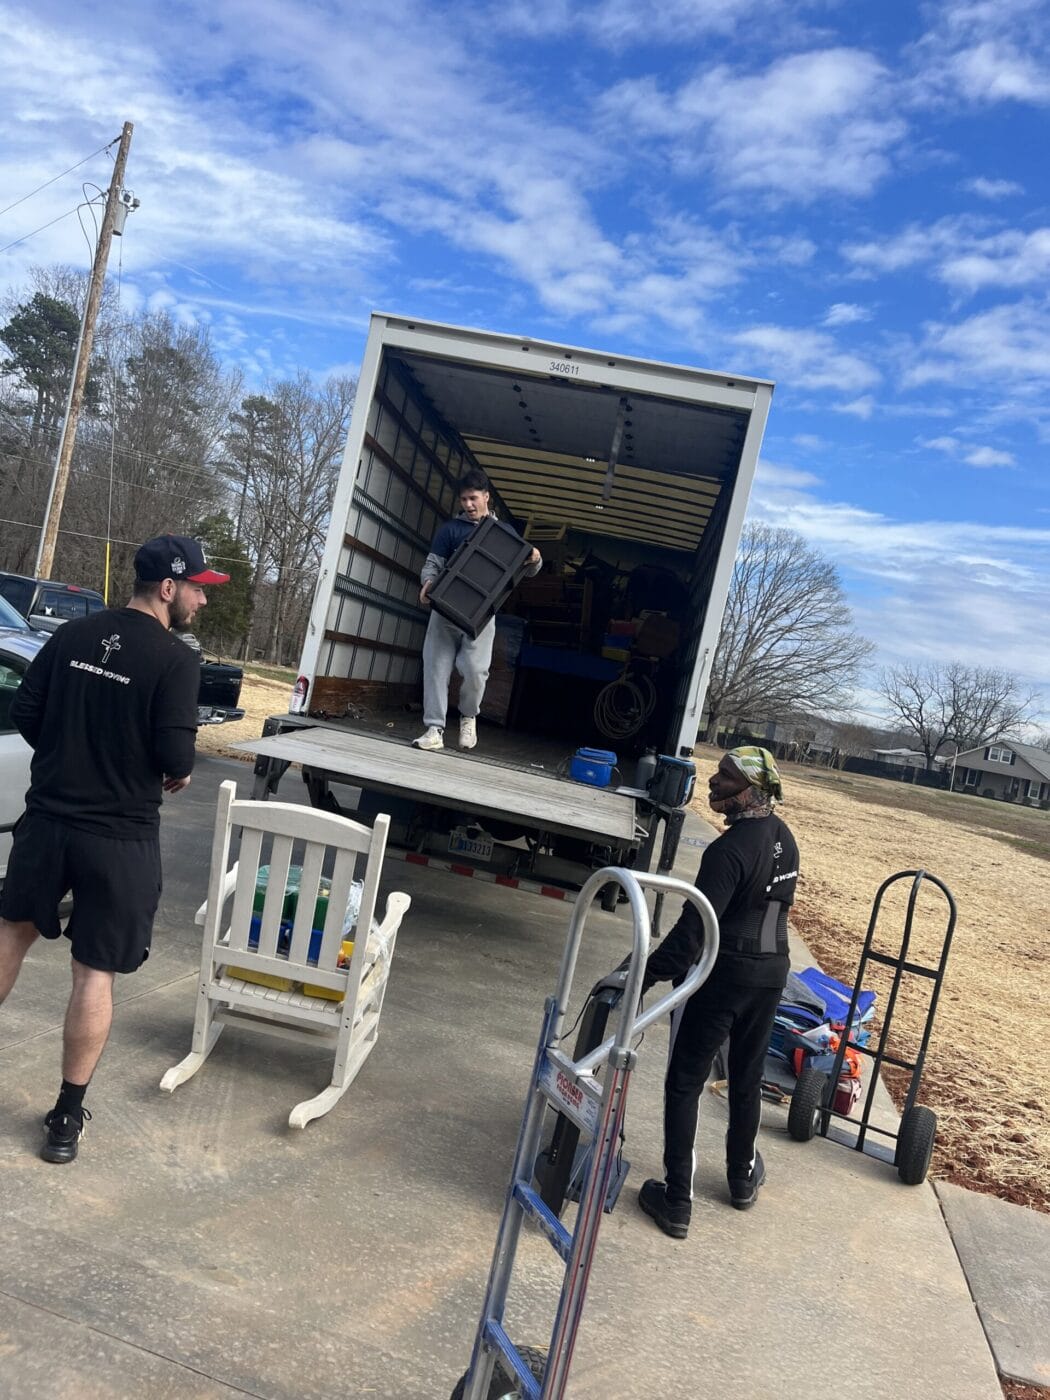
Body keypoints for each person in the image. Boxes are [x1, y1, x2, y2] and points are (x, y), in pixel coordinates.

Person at [0, 535, 229, 1164]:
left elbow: (27, 708)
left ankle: (67, 1113)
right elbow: (177, 757)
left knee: (9, 935)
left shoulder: (72, 636)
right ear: (167, 588)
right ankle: (66, 1120)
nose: (201, 601)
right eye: (198, 589)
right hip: (118, 837)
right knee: (93, 973)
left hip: (47, 821)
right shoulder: (175, 660)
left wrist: (66, 754)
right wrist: (166, 769)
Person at [637, 745, 799, 1236]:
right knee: (746, 1078)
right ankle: (742, 1178)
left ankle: (677, 1201)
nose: (712, 782)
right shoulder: (785, 839)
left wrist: (640, 974)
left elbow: (694, 933)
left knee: (685, 1081)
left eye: (725, 778)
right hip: (772, 974)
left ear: (751, 789)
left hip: (723, 977)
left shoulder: (728, 851)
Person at [414, 469, 541, 752]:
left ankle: (468, 716)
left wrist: (536, 558)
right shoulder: (450, 530)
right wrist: (427, 583)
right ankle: (434, 729)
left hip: (480, 617)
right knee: (435, 668)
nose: (468, 505)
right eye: (463, 499)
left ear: (486, 497)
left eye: (473, 498)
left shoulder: (505, 534)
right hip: (444, 613)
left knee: (474, 671)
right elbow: (432, 565)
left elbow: (529, 569)